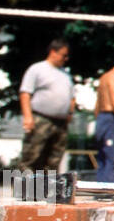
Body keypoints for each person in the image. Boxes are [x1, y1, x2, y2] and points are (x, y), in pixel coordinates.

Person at [18, 39, 76, 171]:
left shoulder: (65, 74)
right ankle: (24, 189)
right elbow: (25, 93)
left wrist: (70, 113)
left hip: (60, 123)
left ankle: (47, 190)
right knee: (31, 157)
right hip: (41, 119)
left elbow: (72, 97)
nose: (66, 58)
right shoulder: (37, 69)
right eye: (63, 55)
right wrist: (28, 117)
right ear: (53, 52)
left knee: (54, 161)